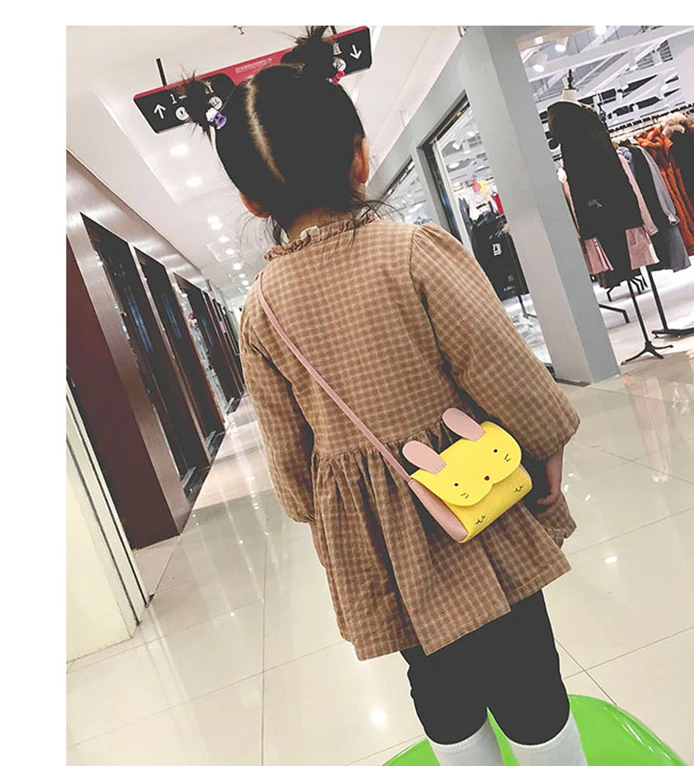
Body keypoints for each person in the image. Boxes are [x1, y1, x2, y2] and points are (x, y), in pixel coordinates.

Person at [181, 26, 587, 766]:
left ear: (249, 197)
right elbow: (498, 363)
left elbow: (287, 453)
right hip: (469, 488)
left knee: (433, 672)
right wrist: (544, 446)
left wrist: (317, 513)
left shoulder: (261, 310)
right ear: (360, 156)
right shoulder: (413, 251)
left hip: (374, 524)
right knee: (523, 655)